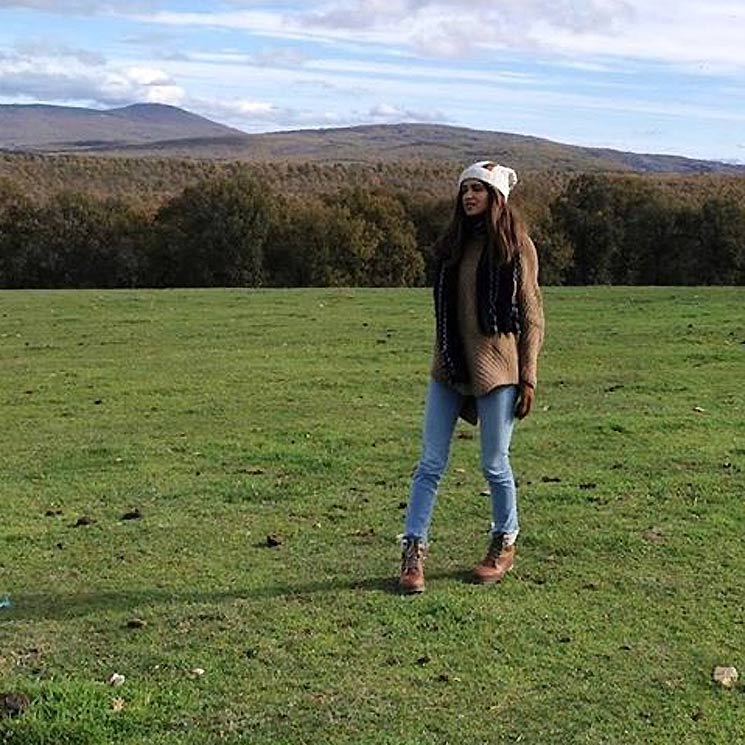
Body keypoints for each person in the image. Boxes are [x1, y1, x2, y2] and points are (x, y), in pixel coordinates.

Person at [399, 160, 544, 594]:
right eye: (465, 190)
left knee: (494, 464)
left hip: (499, 370)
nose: (469, 197)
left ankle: (505, 541)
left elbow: (533, 317)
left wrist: (529, 376)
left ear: (496, 197)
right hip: (449, 365)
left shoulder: (517, 248)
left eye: (478, 190)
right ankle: (413, 551)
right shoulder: (452, 247)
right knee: (429, 463)